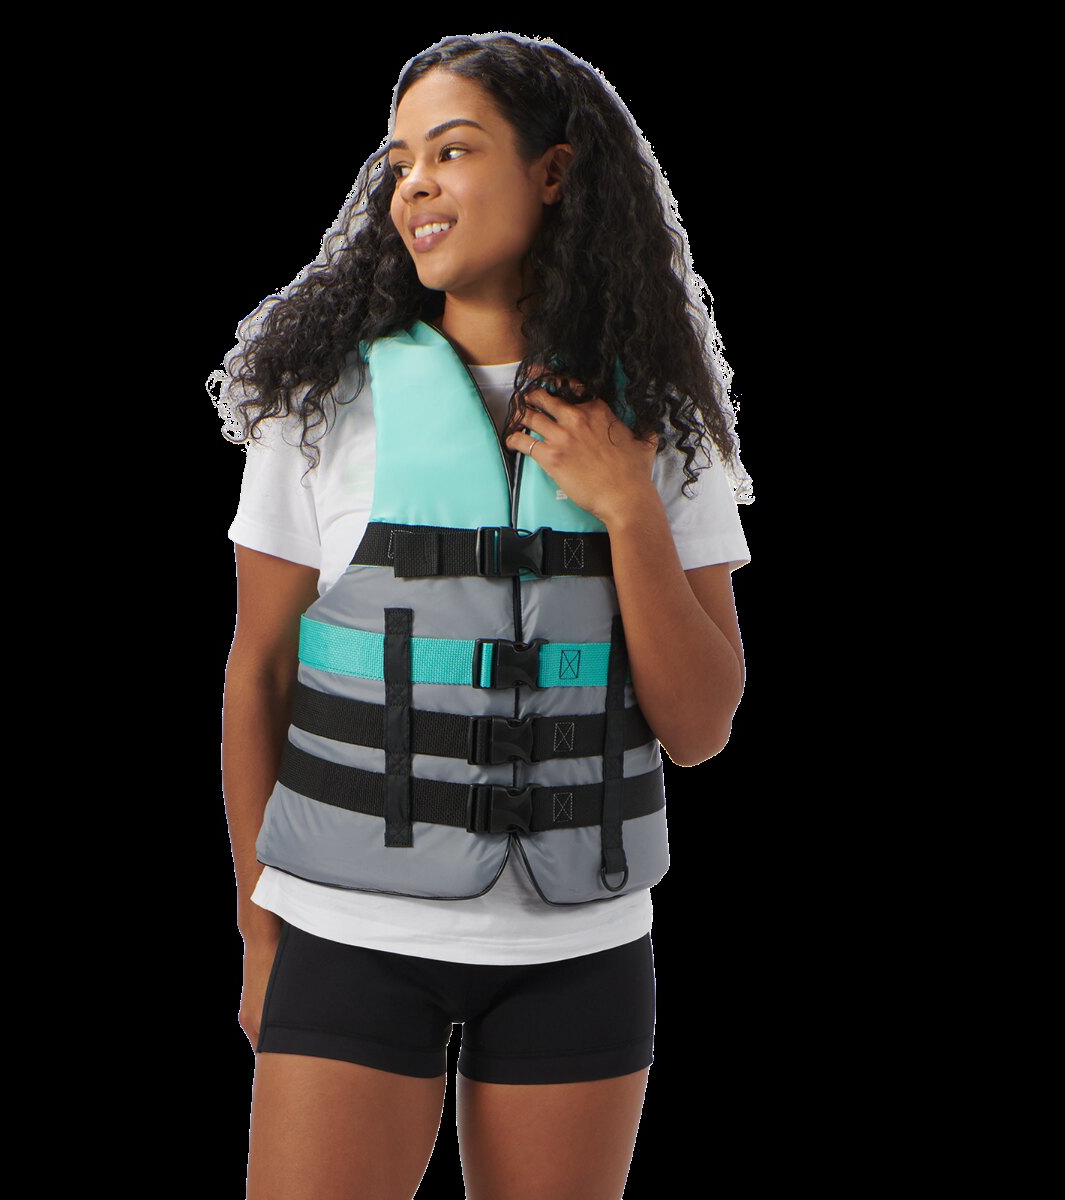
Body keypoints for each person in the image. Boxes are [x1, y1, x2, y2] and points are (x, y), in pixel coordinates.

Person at [213, 32, 753, 1200]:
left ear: (555, 171)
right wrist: (259, 941)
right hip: (346, 935)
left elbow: (701, 725)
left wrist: (628, 506)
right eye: (401, 161)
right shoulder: (322, 405)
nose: (415, 184)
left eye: (452, 151)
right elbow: (258, 675)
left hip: (578, 950)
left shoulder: (661, 421)